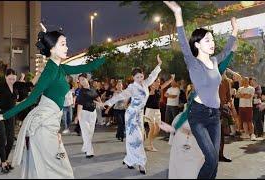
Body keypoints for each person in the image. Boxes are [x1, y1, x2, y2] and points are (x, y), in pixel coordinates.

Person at [2, 23, 105, 178]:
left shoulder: (60, 68)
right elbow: (31, 100)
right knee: (61, 168)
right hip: (43, 126)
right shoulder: (49, 72)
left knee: (52, 167)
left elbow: (83, 67)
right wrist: (5, 115)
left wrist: (104, 58)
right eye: (63, 44)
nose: (67, 47)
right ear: (52, 49)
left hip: (50, 125)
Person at [164, 1, 238, 178]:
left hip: (214, 114)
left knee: (214, 163)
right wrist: (178, 13)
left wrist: (234, 30)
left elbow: (227, 50)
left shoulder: (213, 61)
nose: (212, 43)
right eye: (208, 40)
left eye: (212, 39)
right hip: (198, 115)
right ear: (197, 44)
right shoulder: (193, 62)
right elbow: (182, 40)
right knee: (211, 159)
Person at [101, 53, 163, 175]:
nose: (140, 79)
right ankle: (141, 163)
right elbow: (119, 96)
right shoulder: (131, 88)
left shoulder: (145, 83)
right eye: (137, 77)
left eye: (141, 76)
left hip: (139, 115)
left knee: (134, 139)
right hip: (131, 115)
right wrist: (107, 103)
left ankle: (129, 160)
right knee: (137, 139)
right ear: (133, 78)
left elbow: (153, 75)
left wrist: (159, 65)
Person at [144, 74, 174, 151]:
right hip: (150, 110)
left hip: (157, 111)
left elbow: (166, 84)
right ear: (152, 82)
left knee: (157, 129)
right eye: (156, 81)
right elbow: (149, 94)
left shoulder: (159, 89)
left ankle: (149, 141)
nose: (158, 83)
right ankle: (149, 145)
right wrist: (152, 88)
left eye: (159, 82)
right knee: (152, 127)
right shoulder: (150, 90)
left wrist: (171, 79)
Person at [75, 74, 102, 158]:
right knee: (86, 132)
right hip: (83, 114)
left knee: (90, 132)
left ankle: (85, 147)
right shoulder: (81, 92)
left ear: (87, 79)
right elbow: (79, 105)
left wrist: (100, 103)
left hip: (93, 113)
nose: (82, 82)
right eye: (80, 80)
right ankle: (89, 152)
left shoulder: (93, 89)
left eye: (83, 79)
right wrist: (78, 116)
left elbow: (96, 97)